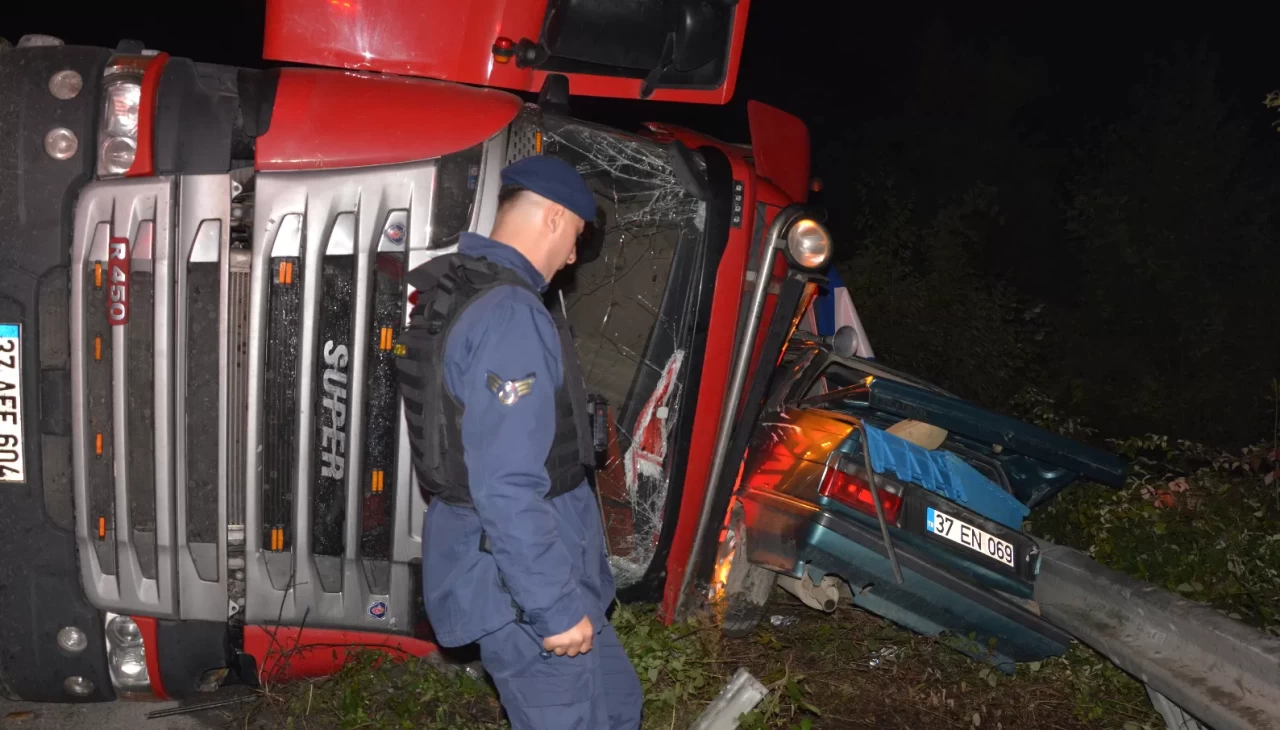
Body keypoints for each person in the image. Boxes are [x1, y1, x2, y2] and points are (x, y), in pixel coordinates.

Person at [395, 154, 644, 729]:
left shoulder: (460, 285)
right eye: (577, 237)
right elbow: (505, 485)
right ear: (555, 218)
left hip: (532, 565)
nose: (574, 256)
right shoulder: (510, 315)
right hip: (519, 583)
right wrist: (554, 611)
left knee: (618, 703)